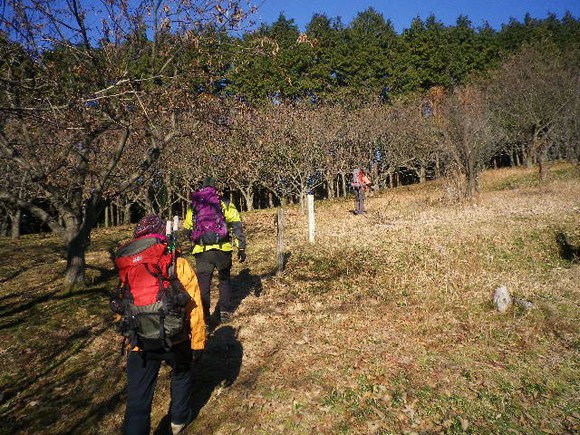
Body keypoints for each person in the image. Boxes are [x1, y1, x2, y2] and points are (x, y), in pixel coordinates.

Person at [119, 215, 206, 435]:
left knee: (138, 398)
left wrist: (128, 336)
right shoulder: (177, 262)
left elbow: (124, 305)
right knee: (181, 373)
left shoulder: (128, 266)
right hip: (175, 337)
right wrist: (197, 343)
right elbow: (194, 306)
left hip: (140, 342)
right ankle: (178, 420)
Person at [183, 177, 247, 329]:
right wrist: (241, 247)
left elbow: (187, 228)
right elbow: (236, 225)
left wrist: (196, 239)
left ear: (202, 188)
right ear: (215, 188)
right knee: (224, 280)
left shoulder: (195, 204)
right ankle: (224, 311)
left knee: (204, 285)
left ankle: (205, 318)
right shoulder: (224, 202)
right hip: (222, 249)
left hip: (202, 251)